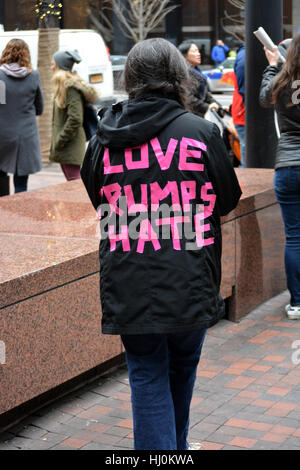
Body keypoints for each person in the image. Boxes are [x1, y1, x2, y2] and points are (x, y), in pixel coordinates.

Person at [81, 38, 242, 450]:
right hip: (190, 273)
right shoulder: (201, 132)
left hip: (129, 277)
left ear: (130, 78)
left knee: (146, 375)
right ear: (177, 76)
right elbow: (227, 198)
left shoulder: (104, 136)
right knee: (181, 370)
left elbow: (96, 192)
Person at [259, 35, 300, 320]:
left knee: (294, 237)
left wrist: (272, 65)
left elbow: (263, 97)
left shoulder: (282, 82)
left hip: (287, 166)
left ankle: (297, 303)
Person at [0, 38, 43, 195]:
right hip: (25, 135)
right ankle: (19, 214)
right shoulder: (34, 76)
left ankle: (3, 213)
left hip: (2, 134)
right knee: (21, 183)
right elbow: (40, 108)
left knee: (1, 177)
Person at [50, 50, 99, 181]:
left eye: (53, 63)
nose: (51, 66)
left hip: (69, 143)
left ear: (60, 66)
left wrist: (61, 139)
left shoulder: (70, 88)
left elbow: (75, 118)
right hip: (66, 144)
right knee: (72, 182)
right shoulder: (63, 86)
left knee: (75, 183)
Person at [178, 41, 220, 118]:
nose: (198, 54)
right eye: (194, 51)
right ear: (184, 55)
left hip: (198, 116)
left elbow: (206, 94)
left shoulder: (198, 73)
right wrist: (207, 106)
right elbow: (188, 98)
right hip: (188, 117)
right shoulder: (183, 74)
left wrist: (219, 106)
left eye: (198, 51)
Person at [232, 43, 245, 167]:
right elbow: (244, 89)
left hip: (243, 113)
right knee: (248, 159)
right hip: (244, 115)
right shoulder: (244, 57)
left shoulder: (243, 55)